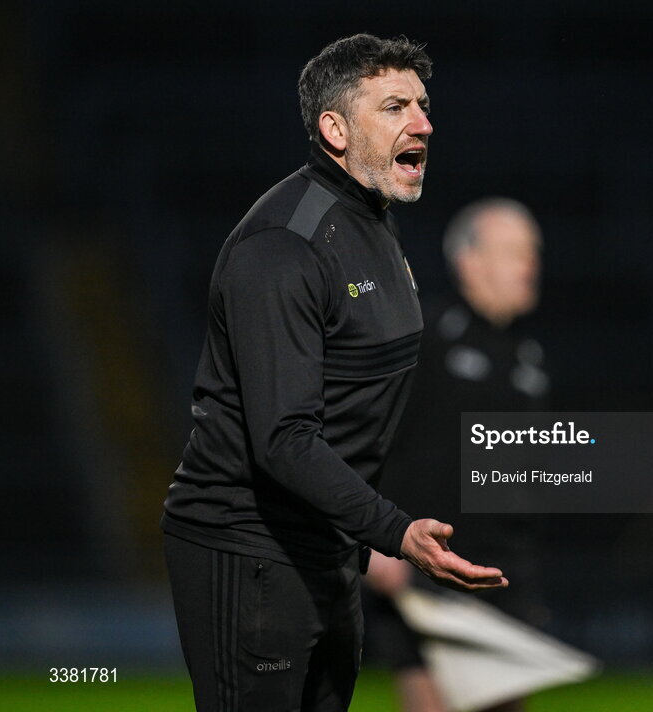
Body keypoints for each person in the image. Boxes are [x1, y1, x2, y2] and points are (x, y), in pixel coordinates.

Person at [161, 34, 507, 712]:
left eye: (423, 104)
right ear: (334, 129)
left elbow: (369, 406)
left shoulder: (371, 221)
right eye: (395, 106)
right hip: (248, 548)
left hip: (329, 546)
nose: (423, 123)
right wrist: (393, 531)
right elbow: (284, 438)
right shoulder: (281, 246)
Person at [364, 198, 549, 712]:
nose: (530, 264)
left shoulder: (528, 359)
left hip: (504, 578)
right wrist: (373, 540)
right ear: (469, 260)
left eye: (532, 251)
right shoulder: (423, 337)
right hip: (426, 572)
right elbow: (363, 438)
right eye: (514, 251)